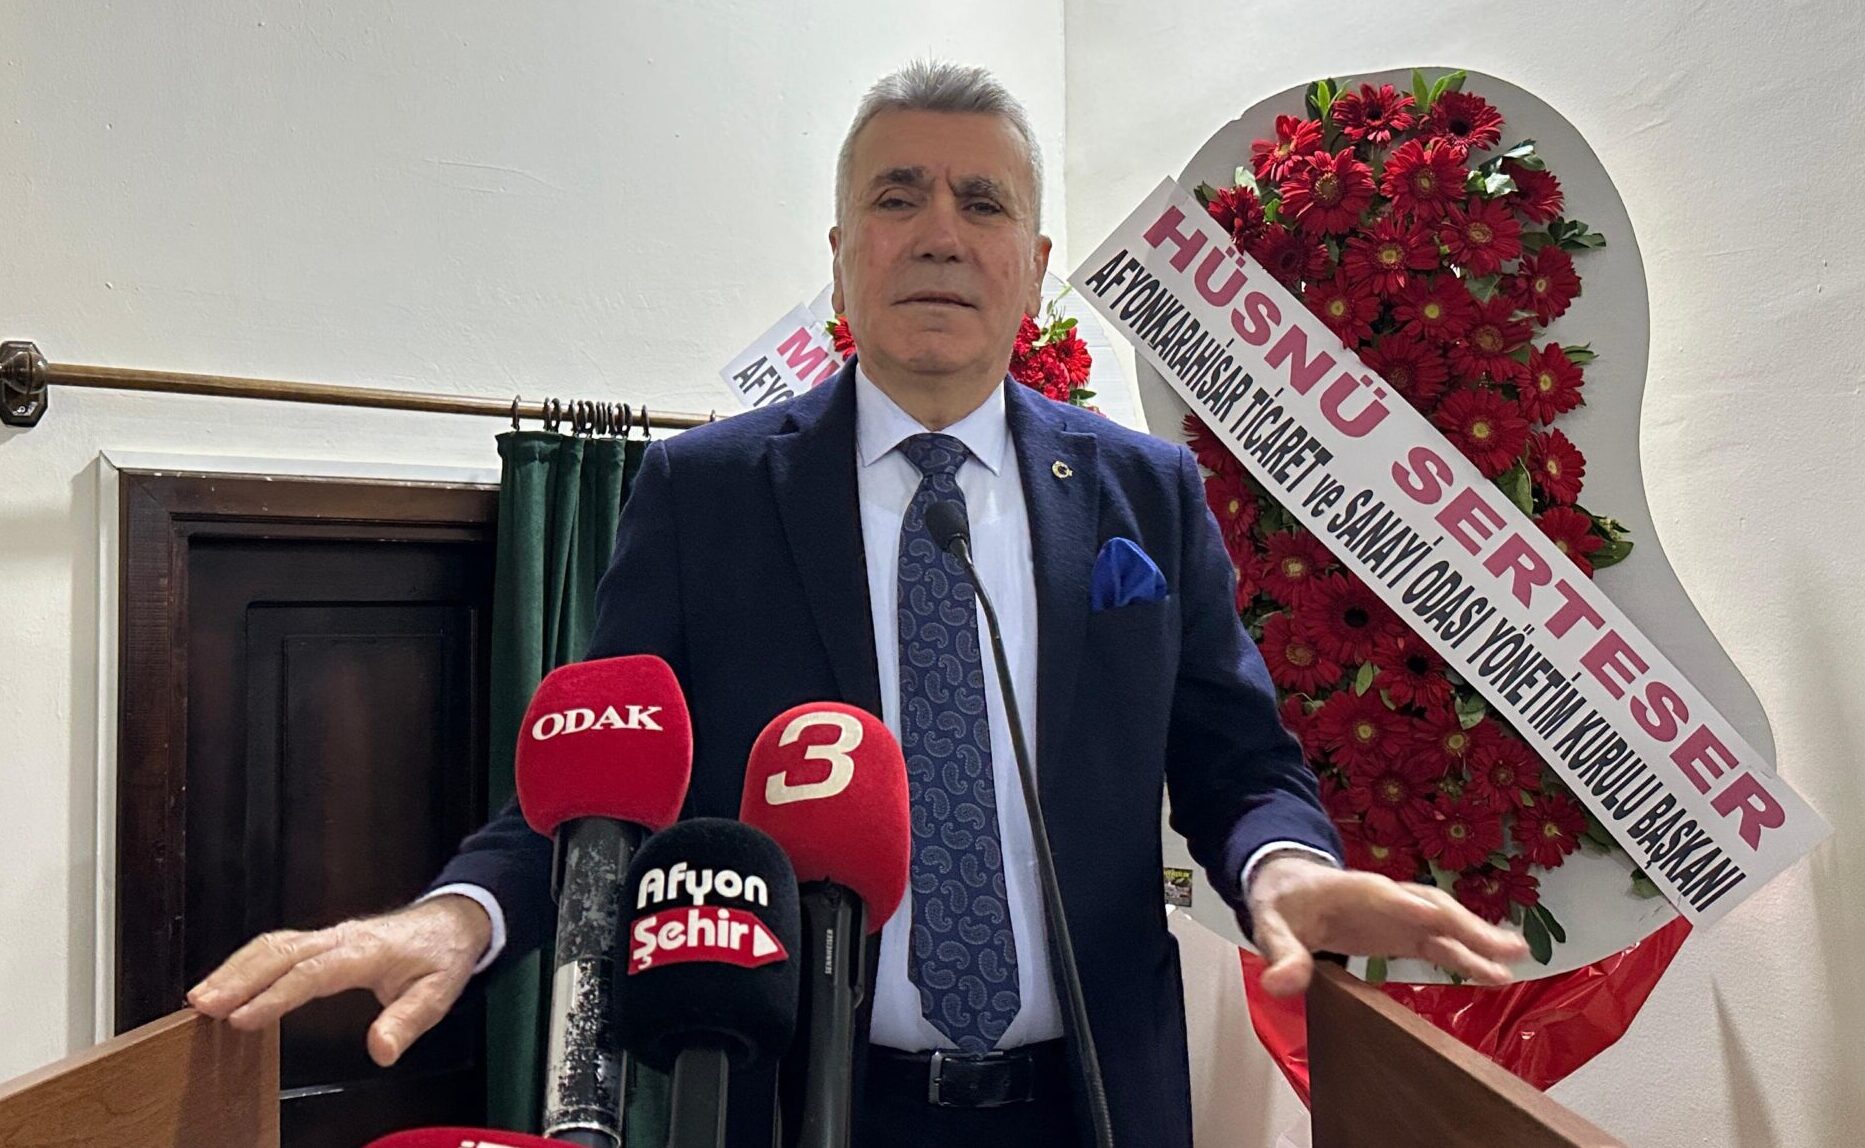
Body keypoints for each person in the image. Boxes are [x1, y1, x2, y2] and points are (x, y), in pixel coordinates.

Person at [189, 60, 1527, 1146]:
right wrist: (457, 915)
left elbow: (1240, 764)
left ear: (1032, 263)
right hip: (798, 1104)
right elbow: (605, 783)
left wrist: (1287, 870)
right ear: (841, 258)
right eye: (899, 196)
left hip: (1094, 1101)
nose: (940, 231)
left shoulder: (1146, 493)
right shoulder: (705, 494)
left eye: (982, 203)